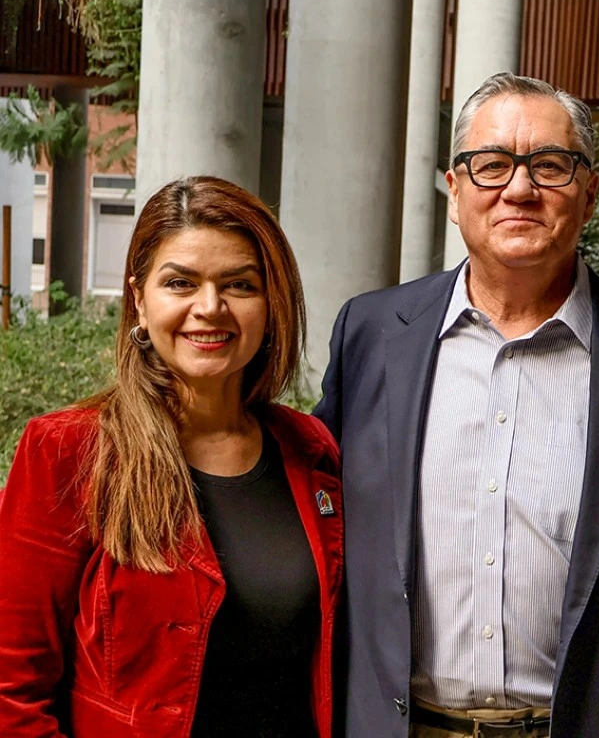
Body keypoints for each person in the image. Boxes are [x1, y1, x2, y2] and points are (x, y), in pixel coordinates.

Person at [315, 72, 599, 738]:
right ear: (455, 192)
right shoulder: (370, 335)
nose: (519, 189)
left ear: (590, 193)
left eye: (550, 166)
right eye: (491, 166)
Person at [0, 177, 344, 738]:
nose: (209, 308)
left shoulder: (310, 452)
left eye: (239, 284)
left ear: (270, 301)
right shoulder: (68, 451)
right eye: (180, 282)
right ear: (139, 299)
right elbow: (11, 688)